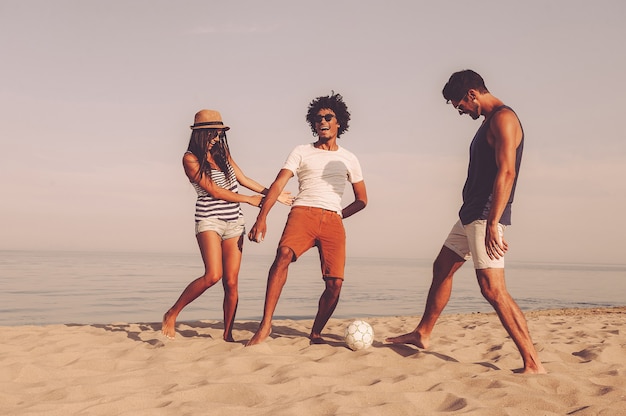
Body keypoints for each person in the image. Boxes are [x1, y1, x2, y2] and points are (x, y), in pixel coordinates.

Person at [386, 70, 546, 374]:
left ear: (472, 94)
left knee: (493, 290)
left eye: (459, 104)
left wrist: (492, 222)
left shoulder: (503, 118)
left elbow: (507, 172)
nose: (460, 111)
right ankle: (423, 333)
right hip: (471, 213)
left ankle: (533, 362)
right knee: (442, 266)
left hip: (485, 214)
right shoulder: (489, 121)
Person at [245, 92, 368, 346]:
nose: (322, 121)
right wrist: (262, 217)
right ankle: (265, 325)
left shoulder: (349, 158)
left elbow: (362, 199)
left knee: (334, 284)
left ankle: (316, 333)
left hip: (333, 219)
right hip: (303, 213)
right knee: (283, 256)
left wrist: (338, 216)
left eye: (328, 117)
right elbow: (279, 184)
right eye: (317, 118)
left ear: (339, 123)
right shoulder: (301, 151)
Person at [161, 109, 293, 341]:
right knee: (213, 275)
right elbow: (213, 190)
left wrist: (274, 194)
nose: (217, 136)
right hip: (209, 219)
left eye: (220, 133)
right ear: (201, 134)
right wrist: (248, 199)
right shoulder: (189, 158)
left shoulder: (222, 152)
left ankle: (227, 334)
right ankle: (172, 313)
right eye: (214, 132)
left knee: (231, 282)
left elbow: (243, 179)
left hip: (234, 222)